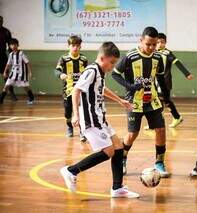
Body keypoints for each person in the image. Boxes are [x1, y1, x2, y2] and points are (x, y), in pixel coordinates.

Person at [60, 41, 139, 198]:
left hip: (100, 116)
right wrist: (75, 114)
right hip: (91, 118)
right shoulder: (91, 70)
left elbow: (101, 89)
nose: (112, 67)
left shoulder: (99, 72)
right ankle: (71, 170)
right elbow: (76, 90)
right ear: (103, 58)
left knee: (118, 147)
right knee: (108, 151)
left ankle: (117, 188)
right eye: (112, 63)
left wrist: (119, 100)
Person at [112, 26, 171, 178]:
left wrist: (166, 97)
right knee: (133, 134)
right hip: (134, 101)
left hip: (152, 100)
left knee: (161, 130)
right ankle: (122, 158)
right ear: (141, 41)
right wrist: (130, 86)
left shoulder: (158, 58)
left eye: (154, 44)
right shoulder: (130, 56)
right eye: (148, 44)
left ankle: (159, 162)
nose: (151, 47)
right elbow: (115, 74)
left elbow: (160, 79)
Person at [154, 32, 194, 128]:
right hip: (154, 82)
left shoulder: (167, 53)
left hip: (165, 81)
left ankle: (175, 117)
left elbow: (177, 63)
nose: (160, 44)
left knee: (164, 100)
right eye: (158, 42)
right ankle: (160, 121)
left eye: (162, 42)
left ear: (165, 42)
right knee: (158, 100)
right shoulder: (153, 52)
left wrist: (187, 73)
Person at [54, 35, 88, 141]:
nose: (75, 48)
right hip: (68, 90)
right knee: (68, 113)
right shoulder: (64, 59)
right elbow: (57, 70)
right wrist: (61, 75)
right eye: (73, 45)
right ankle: (69, 127)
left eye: (77, 46)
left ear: (80, 47)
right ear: (68, 46)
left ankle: (83, 131)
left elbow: (87, 73)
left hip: (81, 90)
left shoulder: (83, 59)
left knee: (82, 111)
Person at [0, 38, 34, 104]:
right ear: (9, 46)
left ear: (17, 45)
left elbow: (27, 63)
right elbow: (8, 64)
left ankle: (31, 97)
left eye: (14, 45)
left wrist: (30, 72)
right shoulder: (11, 55)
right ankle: (1, 99)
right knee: (6, 85)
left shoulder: (21, 54)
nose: (13, 46)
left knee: (25, 87)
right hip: (13, 73)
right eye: (11, 45)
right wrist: (4, 72)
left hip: (22, 73)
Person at [0, 15, 17, 101]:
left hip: (2, 56)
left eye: (1, 21)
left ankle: (11, 93)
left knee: (7, 76)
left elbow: (11, 44)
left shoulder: (6, 32)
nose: (0, 22)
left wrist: (13, 56)